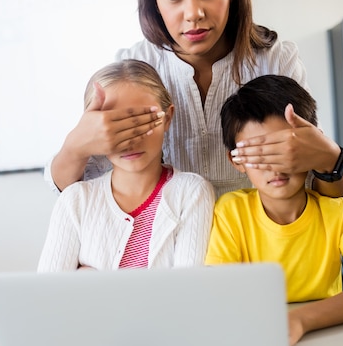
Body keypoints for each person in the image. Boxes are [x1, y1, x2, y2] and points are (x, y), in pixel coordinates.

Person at [45, 0, 343, 201]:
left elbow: (332, 192)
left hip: (261, 251)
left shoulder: (275, 60)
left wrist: (329, 157)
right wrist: (76, 146)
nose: (193, 13)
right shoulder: (133, 67)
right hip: (171, 255)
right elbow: (73, 192)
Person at [205, 75, 343, 346]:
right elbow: (220, 297)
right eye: (259, 153)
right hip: (258, 340)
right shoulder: (231, 212)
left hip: (328, 337)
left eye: (283, 150)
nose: (275, 166)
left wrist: (302, 319)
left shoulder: (334, 210)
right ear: (235, 161)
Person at [38, 59, 215, 272]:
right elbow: (50, 297)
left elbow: (186, 293)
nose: (130, 140)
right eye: (115, 127)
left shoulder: (191, 192)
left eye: (142, 122)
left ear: (167, 118)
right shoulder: (75, 200)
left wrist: (90, 280)